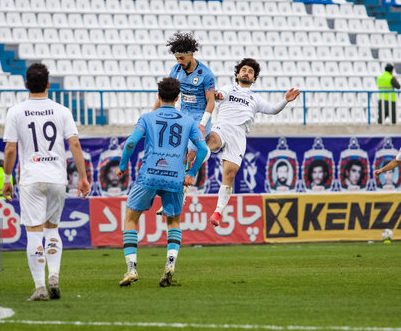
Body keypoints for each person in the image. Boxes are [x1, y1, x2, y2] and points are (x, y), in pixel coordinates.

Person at [2, 63, 91, 301]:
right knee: (52, 229)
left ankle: (40, 287)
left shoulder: (16, 111)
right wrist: (82, 177)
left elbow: (10, 149)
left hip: (31, 178)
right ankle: (54, 275)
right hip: (56, 178)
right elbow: (75, 144)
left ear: (26, 85)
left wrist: (7, 178)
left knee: (34, 233)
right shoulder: (62, 111)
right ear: (48, 85)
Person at [116, 77, 209, 287]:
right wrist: (191, 173)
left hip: (149, 175)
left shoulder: (147, 118)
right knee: (173, 222)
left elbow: (131, 142)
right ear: (177, 98)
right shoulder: (188, 121)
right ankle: (170, 265)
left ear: (158, 96)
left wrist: (122, 166)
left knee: (131, 219)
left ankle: (131, 269)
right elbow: (203, 149)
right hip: (175, 177)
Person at [208, 58, 300, 226]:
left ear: (254, 78)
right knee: (209, 143)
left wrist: (285, 100)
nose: (246, 73)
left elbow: (273, 110)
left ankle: (218, 211)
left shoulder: (255, 98)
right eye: (244, 70)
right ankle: (187, 176)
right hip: (223, 127)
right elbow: (221, 95)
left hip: (239, 134)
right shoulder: (229, 88)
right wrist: (218, 95)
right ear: (237, 74)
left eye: (250, 72)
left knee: (230, 174)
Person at [155, 32, 215, 214]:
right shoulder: (176, 71)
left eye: (181, 58)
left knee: (190, 154)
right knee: (178, 156)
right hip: (183, 115)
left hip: (199, 117)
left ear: (191, 54)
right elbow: (166, 95)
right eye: (177, 58)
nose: (179, 61)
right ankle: (174, 194)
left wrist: (203, 124)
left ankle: (180, 197)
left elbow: (210, 102)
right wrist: (154, 116)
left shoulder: (206, 74)